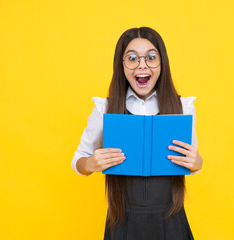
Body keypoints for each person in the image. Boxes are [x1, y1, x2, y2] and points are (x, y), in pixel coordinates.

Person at [71, 26, 203, 240]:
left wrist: (197, 163)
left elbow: (192, 161)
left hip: (170, 222)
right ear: (121, 64)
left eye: (151, 57)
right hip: (123, 223)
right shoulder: (105, 109)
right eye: (132, 58)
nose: (142, 65)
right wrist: (88, 164)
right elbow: (78, 158)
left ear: (162, 63)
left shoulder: (183, 107)